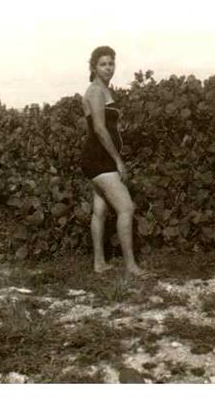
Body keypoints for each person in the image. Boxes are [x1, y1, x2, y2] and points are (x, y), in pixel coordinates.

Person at [80, 46, 148, 277]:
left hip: (94, 156)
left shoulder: (100, 91)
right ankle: (131, 266)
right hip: (101, 158)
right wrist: (118, 160)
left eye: (111, 63)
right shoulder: (96, 91)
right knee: (126, 208)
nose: (108, 68)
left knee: (99, 210)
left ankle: (100, 263)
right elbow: (99, 128)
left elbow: (104, 126)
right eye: (103, 64)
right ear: (93, 67)